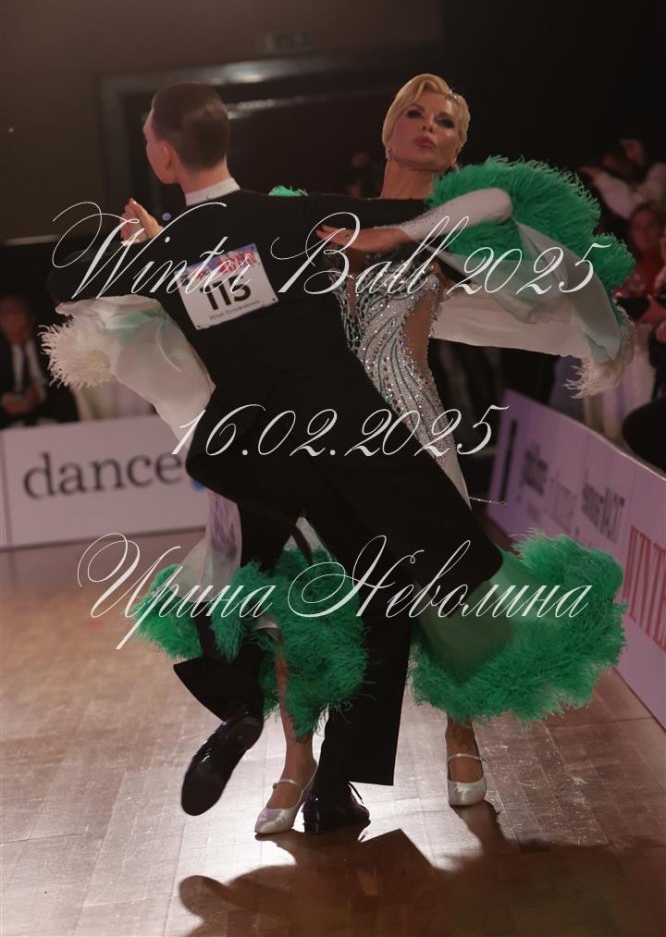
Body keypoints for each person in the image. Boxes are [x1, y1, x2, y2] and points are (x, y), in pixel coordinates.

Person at [47, 78, 630, 836]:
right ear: (387, 129)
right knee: (313, 596)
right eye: (414, 114)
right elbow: (231, 275)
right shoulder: (316, 214)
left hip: (408, 424)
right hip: (325, 430)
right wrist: (173, 248)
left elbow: (505, 227)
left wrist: (395, 238)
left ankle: (456, 737)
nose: (427, 128)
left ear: (459, 146)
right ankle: (305, 765)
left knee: (436, 591)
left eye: (445, 122)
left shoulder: (440, 226)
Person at [0, 294, 77, 428]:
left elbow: (65, 382)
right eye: (4, 313)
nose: (10, 318)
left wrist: (39, 393)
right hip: (9, 418)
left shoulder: (51, 342)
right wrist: (5, 399)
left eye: (14, 312)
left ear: (31, 316)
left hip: (52, 410)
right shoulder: (3, 350)